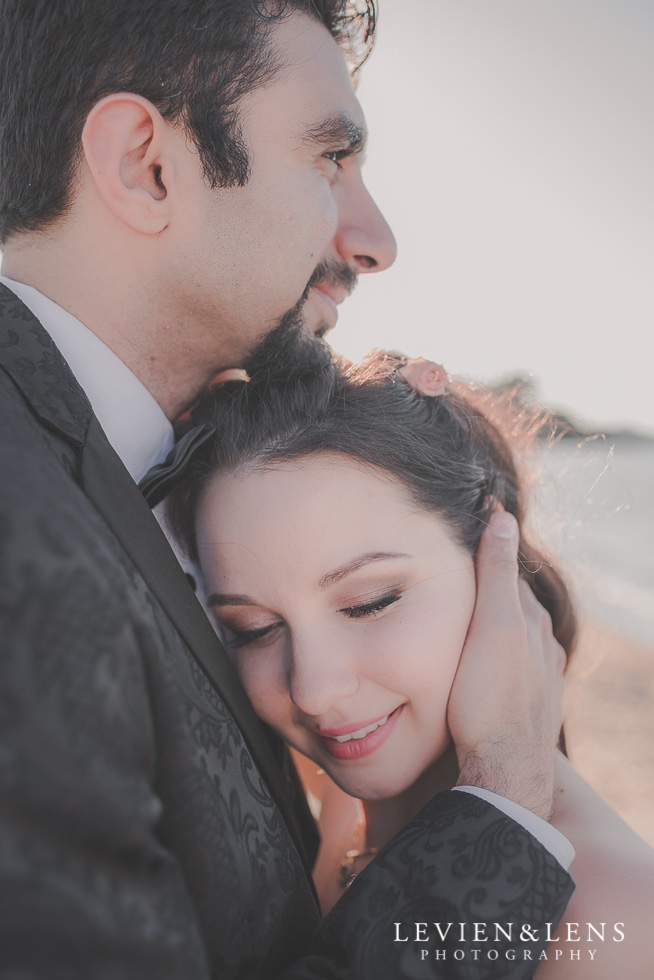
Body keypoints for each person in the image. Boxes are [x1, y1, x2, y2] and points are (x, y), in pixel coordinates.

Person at [0, 1, 573, 976]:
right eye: (328, 158)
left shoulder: (134, 463)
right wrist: (503, 806)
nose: (375, 237)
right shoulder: (23, 548)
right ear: (147, 162)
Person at [174, 339, 654, 976]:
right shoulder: (331, 813)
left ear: (495, 558)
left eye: (370, 602)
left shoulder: (604, 918)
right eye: (254, 629)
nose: (313, 689)